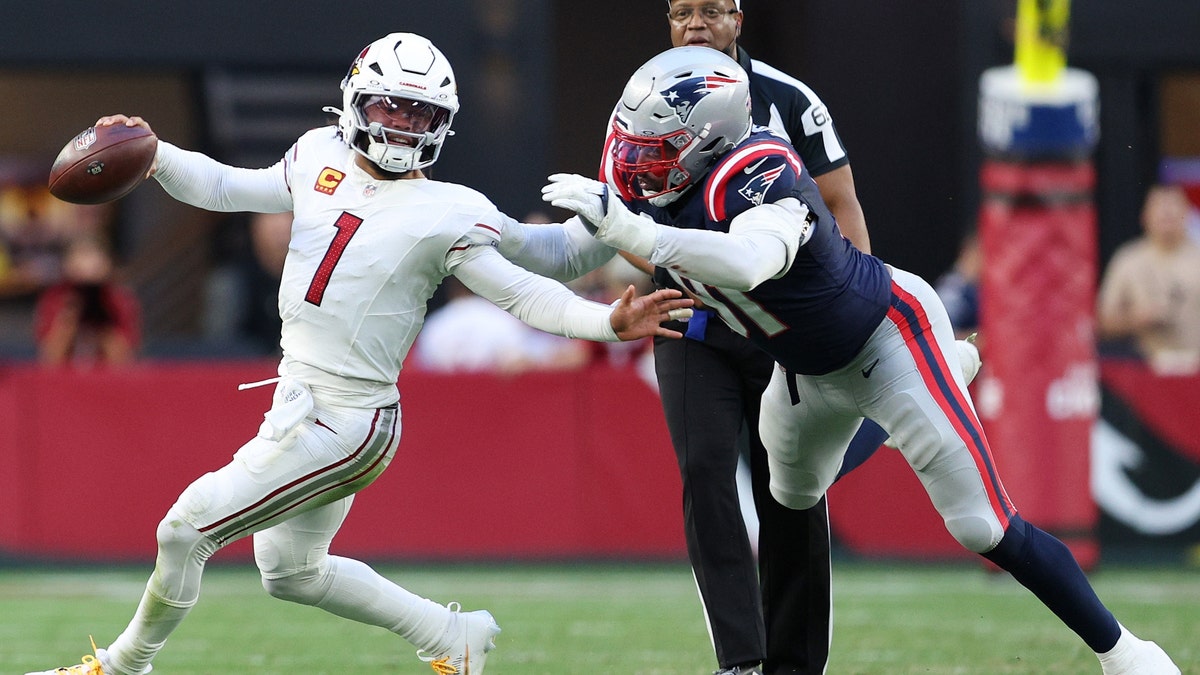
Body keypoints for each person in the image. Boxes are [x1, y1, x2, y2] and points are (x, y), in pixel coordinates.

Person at [26, 33, 692, 675]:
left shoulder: (447, 210)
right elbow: (230, 187)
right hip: (301, 401)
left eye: (420, 114)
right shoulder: (320, 153)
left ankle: (122, 663)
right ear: (355, 100)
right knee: (291, 570)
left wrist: (605, 319)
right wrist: (154, 153)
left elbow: (522, 292)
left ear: (443, 123)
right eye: (391, 107)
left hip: (350, 419)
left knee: (184, 528)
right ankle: (452, 634)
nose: (403, 126)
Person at [541, 46, 1180, 674]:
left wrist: (632, 232)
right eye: (632, 143)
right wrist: (474, 238)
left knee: (981, 526)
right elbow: (565, 252)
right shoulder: (660, 194)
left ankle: (1128, 655)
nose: (634, 163)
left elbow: (747, 261)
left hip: (888, 338)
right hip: (803, 373)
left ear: (706, 138)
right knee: (788, 494)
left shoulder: (760, 168)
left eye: (653, 148)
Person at [1097, 183, 1200, 375]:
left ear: (1186, 214)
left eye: (1173, 208)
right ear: (1145, 217)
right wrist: (1135, 319)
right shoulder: (1128, 260)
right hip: (1145, 372)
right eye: (1160, 209)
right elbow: (1101, 322)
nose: (1167, 215)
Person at [33, 236, 141, 366]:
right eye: (80, 257)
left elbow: (124, 362)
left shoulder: (119, 300)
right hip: (66, 379)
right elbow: (49, 360)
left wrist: (102, 318)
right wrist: (69, 319)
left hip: (107, 380)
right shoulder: (55, 298)